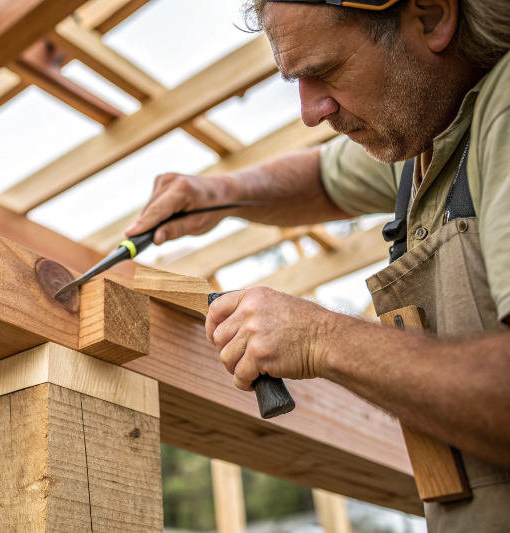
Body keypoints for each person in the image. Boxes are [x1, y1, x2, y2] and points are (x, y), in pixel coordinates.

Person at [124, 0, 510, 530]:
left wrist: (320, 338)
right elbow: (325, 179)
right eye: (296, 82)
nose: (309, 111)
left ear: (432, 18)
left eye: (323, 72)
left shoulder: (503, 114)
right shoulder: (430, 137)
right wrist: (217, 192)